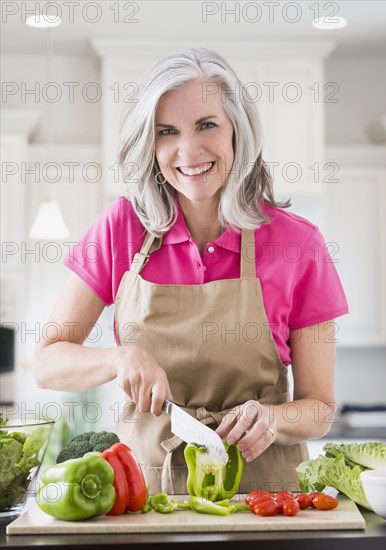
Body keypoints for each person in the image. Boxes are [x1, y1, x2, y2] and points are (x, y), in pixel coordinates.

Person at [32, 48, 349, 494]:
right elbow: (46, 361)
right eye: (167, 132)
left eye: (206, 125)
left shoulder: (299, 244)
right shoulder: (121, 228)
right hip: (143, 492)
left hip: (265, 498)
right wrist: (119, 358)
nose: (188, 150)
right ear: (151, 143)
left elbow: (320, 408)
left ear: (238, 131)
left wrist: (273, 419)